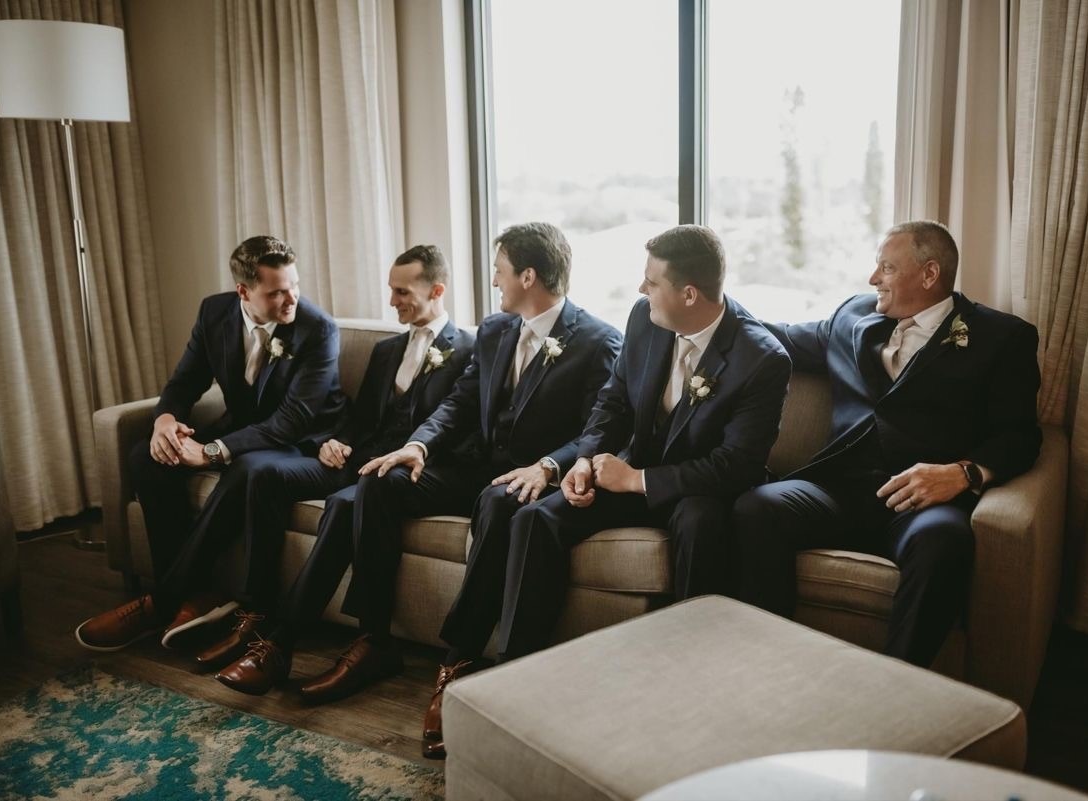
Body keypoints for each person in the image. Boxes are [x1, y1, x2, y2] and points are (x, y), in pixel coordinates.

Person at [215, 222, 622, 711]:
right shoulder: (495, 331)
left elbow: (602, 429)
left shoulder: (600, 341)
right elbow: (460, 402)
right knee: (379, 482)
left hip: (531, 477)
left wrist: (549, 466)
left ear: (528, 276)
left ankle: (459, 661)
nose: (494, 281)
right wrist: (419, 446)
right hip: (470, 467)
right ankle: (373, 640)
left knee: (497, 503)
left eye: (499, 271)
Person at [420, 224, 790, 759]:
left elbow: (736, 464)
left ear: (689, 294)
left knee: (700, 523)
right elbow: (612, 404)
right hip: (625, 472)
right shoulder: (647, 319)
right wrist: (586, 461)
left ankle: (687, 697)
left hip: (701, 490)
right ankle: (516, 678)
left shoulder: (763, 358)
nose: (641, 292)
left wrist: (637, 480)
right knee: (535, 517)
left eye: (651, 282)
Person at [735, 220, 1042, 667]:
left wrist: (962, 474)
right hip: (837, 491)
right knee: (757, 506)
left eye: (886, 267)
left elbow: (1022, 435)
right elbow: (776, 337)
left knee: (944, 543)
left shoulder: (1003, 338)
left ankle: (899, 682)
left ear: (930, 274)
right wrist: (712, 307)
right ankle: (770, 661)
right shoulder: (853, 316)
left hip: (920, 504)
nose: (872, 278)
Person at [193, 245, 473, 692]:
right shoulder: (385, 351)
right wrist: (333, 442)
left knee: (344, 507)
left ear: (436, 290)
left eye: (402, 292)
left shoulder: (471, 352)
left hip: (412, 477)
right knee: (264, 473)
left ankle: (281, 645)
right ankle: (256, 612)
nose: (392, 301)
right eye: (390, 290)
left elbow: (460, 427)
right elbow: (360, 419)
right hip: (358, 465)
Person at [76, 235, 347, 652]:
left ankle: (159, 602)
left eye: (294, 285)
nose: (290, 298)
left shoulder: (318, 329)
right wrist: (165, 422)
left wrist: (210, 451)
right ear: (244, 291)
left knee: (246, 469)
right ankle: (195, 594)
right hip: (243, 431)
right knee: (147, 459)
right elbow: (185, 382)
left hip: (298, 442)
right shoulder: (215, 311)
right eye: (275, 291)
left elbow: (290, 421)